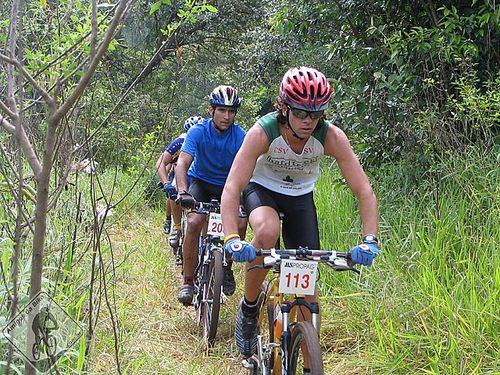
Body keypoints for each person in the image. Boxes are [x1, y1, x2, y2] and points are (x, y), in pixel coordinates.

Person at [220, 66, 380, 359]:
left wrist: (370, 238)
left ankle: (308, 363)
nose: (309, 121)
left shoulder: (330, 136)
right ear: (283, 107)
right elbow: (232, 187)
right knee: (267, 232)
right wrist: (232, 236)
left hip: (300, 199)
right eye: (301, 113)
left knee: (307, 286)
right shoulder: (262, 132)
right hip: (262, 189)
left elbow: (364, 190)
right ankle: (249, 307)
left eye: (316, 114)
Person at [174, 85, 248, 305]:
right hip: (201, 182)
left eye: (231, 111)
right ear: (211, 110)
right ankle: (187, 281)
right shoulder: (198, 131)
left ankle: (226, 266)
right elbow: (182, 163)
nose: (227, 116)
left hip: (229, 186)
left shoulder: (240, 135)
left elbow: (248, 168)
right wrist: (182, 191)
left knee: (241, 223)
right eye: (222, 110)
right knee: (195, 221)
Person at [157, 116, 204, 248]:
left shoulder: (209, 139)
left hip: (200, 178)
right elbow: (163, 162)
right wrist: (165, 182)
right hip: (181, 174)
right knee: (173, 193)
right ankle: (176, 227)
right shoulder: (180, 142)